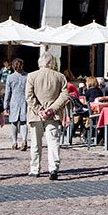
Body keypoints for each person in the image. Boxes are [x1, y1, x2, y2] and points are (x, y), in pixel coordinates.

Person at [25, 51, 69, 180]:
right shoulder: (60, 77)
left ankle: (34, 168)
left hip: (35, 115)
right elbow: (64, 95)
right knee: (53, 142)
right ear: (52, 63)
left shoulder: (32, 76)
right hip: (53, 115)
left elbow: (28, 96)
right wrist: (52, 109)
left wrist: (39, 110)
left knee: (35, 143)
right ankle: (53, 168)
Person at [3, 58, 28, 151]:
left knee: (13, 122)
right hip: (24, 101)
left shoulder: (10, 77)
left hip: (14, 102)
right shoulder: (27, 76)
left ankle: (14, 142)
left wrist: (5, 106)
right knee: (23, 122)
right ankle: (24, 140)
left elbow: (7, 93)